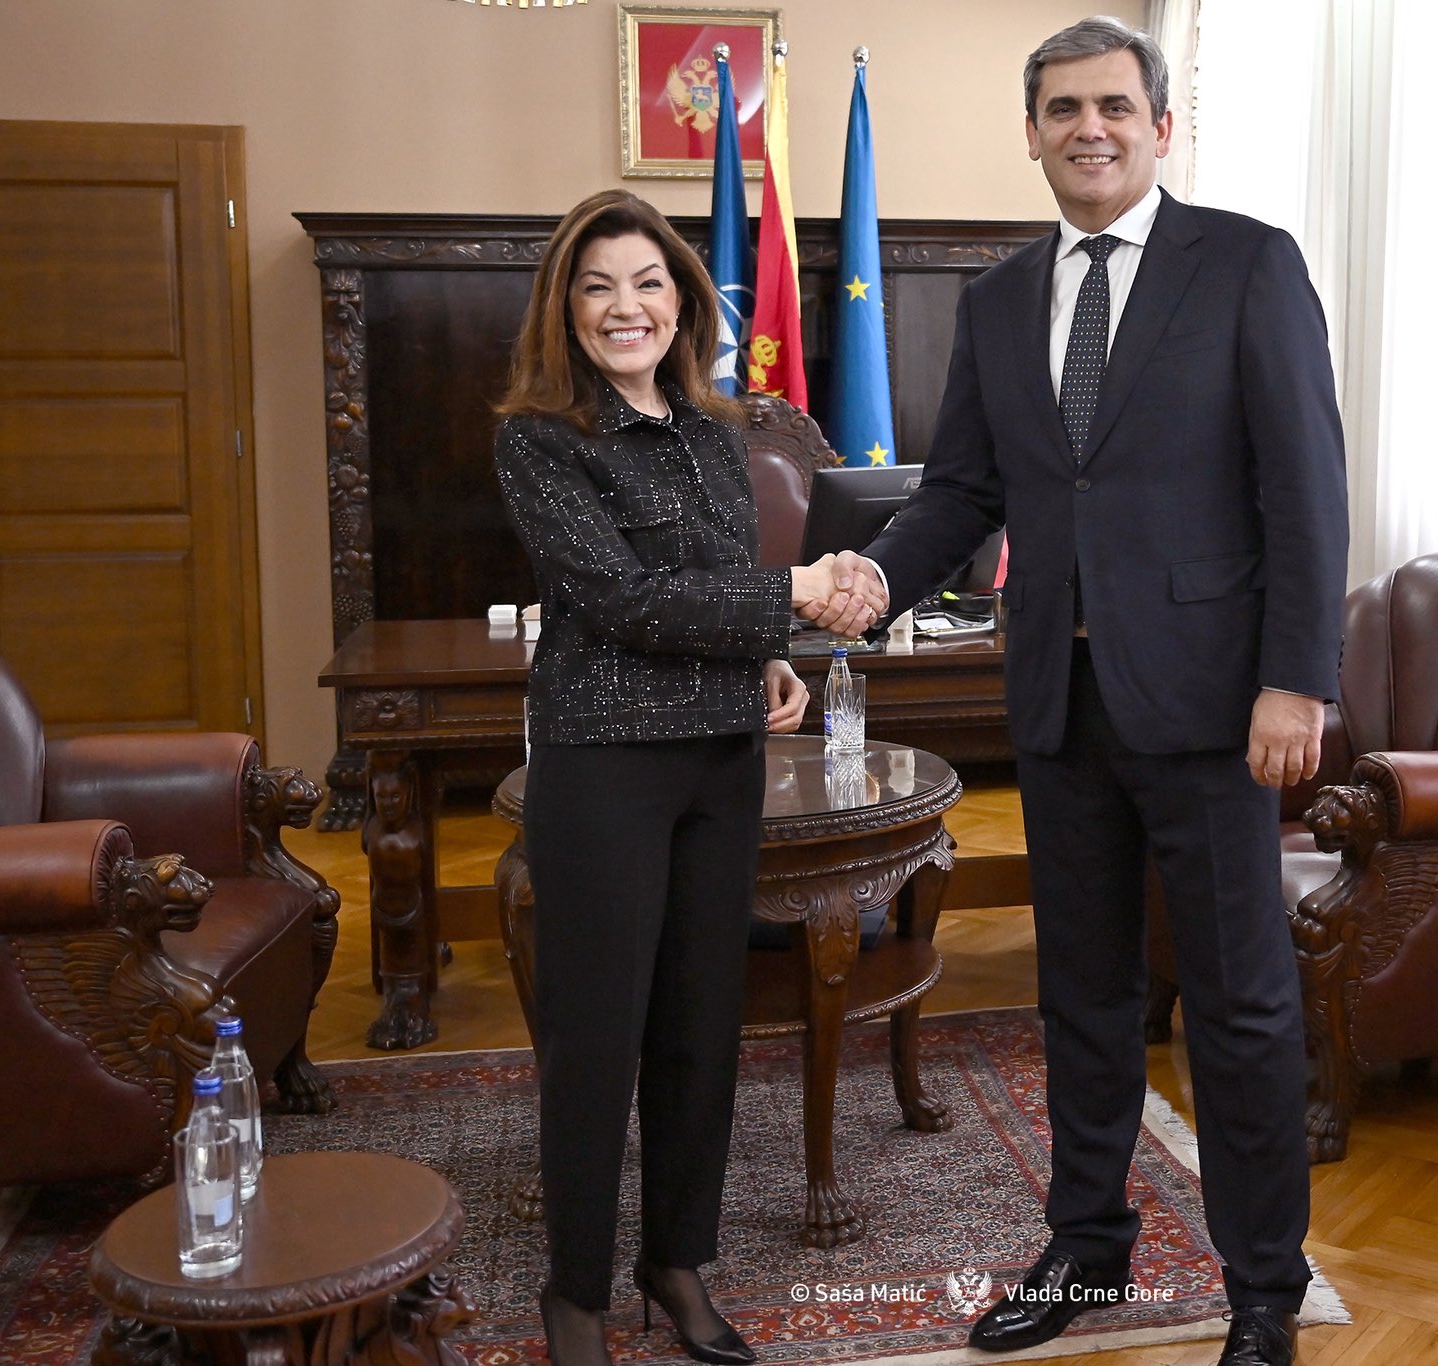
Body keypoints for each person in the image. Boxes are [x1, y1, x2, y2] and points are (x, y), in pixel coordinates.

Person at [807, 18, 1348, 1366]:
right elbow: (961, 494)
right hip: (1058, 699)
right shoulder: (998, 300)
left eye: (1113, 105)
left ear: (1160, 127)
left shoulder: (1248, 264)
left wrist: (1297, 680)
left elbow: (1305, 488)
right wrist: (873, 580)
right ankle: (1087, 1250)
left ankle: (1263, 1287)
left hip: (1217, 707)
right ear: (1033, 133)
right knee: (1084, 996)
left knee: (1239, 1003)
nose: (1087, 128)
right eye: (1062, 109)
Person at [494, 188, 850, 1366]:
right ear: (564, 307)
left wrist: (769, 658)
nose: (624, 306)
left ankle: (675, 1262)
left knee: (700, 1025)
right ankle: (575, 1293)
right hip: (603, 766)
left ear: (682, 302)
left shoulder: (713, 427)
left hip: (720, 758)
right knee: (597, 1038)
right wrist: (792, 596)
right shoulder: (539, 437)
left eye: (646, 282)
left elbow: (712, 578)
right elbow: (623, 600)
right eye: (597, 286)